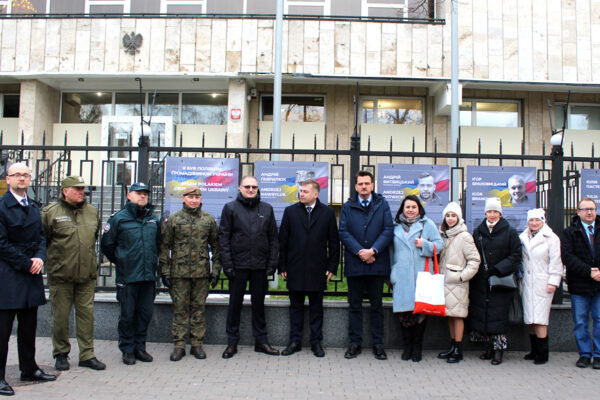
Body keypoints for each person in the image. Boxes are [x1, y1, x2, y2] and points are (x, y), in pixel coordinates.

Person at [0, 163, 56, 397]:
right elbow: (1, 243)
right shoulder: (2, 206)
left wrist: (40, 258)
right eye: (17, 175)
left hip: (31, 274)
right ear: (8, 178)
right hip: (9, 276)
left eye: (25, 175)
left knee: (28, 327)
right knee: (2, 331)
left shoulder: (33, 206)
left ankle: (29, 368)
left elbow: (42, 237)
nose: (22, 178)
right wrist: (27, 262)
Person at [41, 176, 106, 371]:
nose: (81, 192)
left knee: (87, 316)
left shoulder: (92, 211)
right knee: (60, 317)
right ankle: (61, 353)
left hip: (86, 275)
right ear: (65, 191)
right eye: (76, 189)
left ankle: (87, 354)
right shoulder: (50, 213)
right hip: (61, 275)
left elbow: (93, 238)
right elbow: (43, 240)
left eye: (82, 189)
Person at [100, 182, 161, 366]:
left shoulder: (153, 219)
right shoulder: (119, 219)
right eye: (138, 193)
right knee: (127, 315)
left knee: (144, 314)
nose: (142, 196)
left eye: (145, 194)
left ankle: (139, 347)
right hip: (128, 276)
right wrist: (122, 259)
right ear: (129, 195)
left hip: (148, 276)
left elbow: (158, 244)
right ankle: (127, 349)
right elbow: (107, 246)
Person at [219, 176, 279, 359]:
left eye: (254, 187)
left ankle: (261, 341)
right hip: (238, 267)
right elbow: (224, 239)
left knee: (259, 306)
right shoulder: (230, 208)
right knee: (234, 305)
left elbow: (273, 239)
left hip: (260, 267)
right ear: (240, 188)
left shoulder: (267, 209)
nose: (251, 189)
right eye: (247, 186)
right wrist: (228, 265)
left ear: (258, 188)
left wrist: (271, 265)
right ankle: (232, 342)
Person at [278, 179, 339, 358]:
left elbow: (334, 243)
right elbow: (283, 241)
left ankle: (316, 342)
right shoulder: (291, 212)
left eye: (305, 191)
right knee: (295, 307)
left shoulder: (327, 213)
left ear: (315, 194)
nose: (301, 194)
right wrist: (282, 265)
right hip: (295, 268)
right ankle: (295, 341)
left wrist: (332, 267)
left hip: (317, 269)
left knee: (316, 308)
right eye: (300, 191)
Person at [159, 186, 221, 361]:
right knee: (180, 310)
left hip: (201, 274)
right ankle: (179, 345)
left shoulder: (208, 220)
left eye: (197, 197)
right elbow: (164, 246)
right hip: (179, 273)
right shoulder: (174, 219)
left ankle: (196, 344)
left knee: (198, 310)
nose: (194, 200)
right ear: (183, 198)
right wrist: (165, 271)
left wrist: (216, 270)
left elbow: (216, 246)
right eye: (190, 197)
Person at [339, 170, 394, 360]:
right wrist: (360, 252)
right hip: (355, 263)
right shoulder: (347, 206)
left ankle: (378, 344)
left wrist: (373, 251)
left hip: (376, 263)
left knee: (377, 306)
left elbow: (388, 230)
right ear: (355, 187)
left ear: (372, 185)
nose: (364, 186)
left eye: (367, 183)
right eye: (360, 183)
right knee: (354, 306)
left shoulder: (382, 204)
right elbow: (343, 232)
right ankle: (355, 343)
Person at [389, 195, 443, 362]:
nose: (410, 210)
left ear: (419, 209)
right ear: (402, 209)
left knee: (420, 312)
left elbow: (440, 245)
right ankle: (407, 347)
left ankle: (417, 347)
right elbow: (391, 253)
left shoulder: (428, 225)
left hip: (421, 275)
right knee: (404, 313)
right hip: (402, 276)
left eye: (414, 207)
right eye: (407, 207)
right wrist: (392, 273)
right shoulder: (395, 227)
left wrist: (425, 245)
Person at [469, 197, 522, 365]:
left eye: (495, 212)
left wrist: (498, 268)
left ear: (500, 213)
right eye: (489, 212)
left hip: (500, 281)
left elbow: (516, 255)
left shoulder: (509, 231)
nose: (492, 215)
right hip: (481, 281)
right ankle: (489, 347)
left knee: (498, 316)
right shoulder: (478, 231)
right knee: (484, 315)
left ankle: (499, 350)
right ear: (485, 213)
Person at [436, 202, 480, 363]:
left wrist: (462, 276)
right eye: (447, 216)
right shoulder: (444, 235)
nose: (450, 219)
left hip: (457, 283)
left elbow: (474, 260)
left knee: (458, 316)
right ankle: (452, 345)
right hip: (445, 282)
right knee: (450, 315)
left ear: (459, 218)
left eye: (453, 215)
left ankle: (458, 349)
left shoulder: (464, 236)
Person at [519, 208, 562, 365]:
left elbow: (556, 261)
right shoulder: (523, 237)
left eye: (537, 220)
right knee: (531, 317)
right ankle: (534, 350)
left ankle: (543, 353)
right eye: (532, 220)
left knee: (541, 319)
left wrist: (553, 281)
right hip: (527, 282)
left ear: (543, 221)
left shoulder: (551, 238)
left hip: (543, 282)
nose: (534, 223)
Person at [562, 197, 600, 369]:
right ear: (578, 212)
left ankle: (598, 355)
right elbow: (568, 257)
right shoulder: (570, 232)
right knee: (580, 321)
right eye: (585, 209)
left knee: (599, 320)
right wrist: (589, 271)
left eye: (591, 209)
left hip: (599, 284)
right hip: (579, 285)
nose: (589, 212)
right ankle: (584, 354)